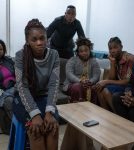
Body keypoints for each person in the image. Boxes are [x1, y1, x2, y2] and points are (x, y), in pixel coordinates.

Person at [13, 19, 59, 150]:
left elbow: (54, 84)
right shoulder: (20, 56)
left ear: (46, 38)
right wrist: (35, 114)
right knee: (36, 130)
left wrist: (49, 112)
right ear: (27, 41)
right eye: (34, 39)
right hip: (21, 99)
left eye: (42, 38)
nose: (39, 42)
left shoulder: (54, 55)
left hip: (43, 97)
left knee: (52, 128)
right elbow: (22, 87)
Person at [94, 37, 134, 111]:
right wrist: (112, 63)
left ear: (121, 47)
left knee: (105, 90)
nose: (112, 51)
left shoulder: (130, 59)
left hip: (131, 86)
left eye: (115, 47)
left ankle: (117, 115)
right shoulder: (115, 58)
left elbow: (127, 81)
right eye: (110, 48)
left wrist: (106, 81)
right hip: (122, 85)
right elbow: (112, 78)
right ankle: (106, 115)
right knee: (99, 88)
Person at [63, 37, 100, 103]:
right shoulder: (72, 60)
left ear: (89, 50)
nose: (84, 53)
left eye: (86, 50)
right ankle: (77, 109)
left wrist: (90, 82)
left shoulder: (94, 61)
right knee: (77, 87)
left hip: (89, 84)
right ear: (78, 52)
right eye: (81, 51)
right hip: (72, 85)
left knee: (95, 89)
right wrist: (80, 81)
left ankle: (91, 110)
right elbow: (69, 74)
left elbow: (96, 75)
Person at [0, 39, 15, 134]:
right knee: (9, 101)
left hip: (16, 87)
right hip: (3, 91)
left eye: (0, 49)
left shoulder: (9, 60)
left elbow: (18, 72)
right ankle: (20, 126)